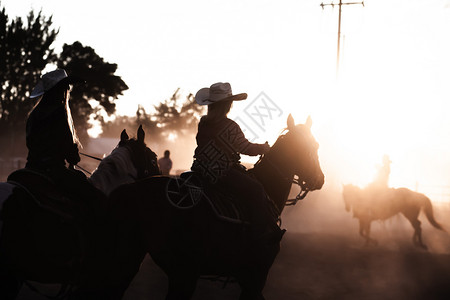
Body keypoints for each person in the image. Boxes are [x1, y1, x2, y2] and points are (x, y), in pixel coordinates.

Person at [191, 82, 281, 242]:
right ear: (227, 105)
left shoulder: (203, 123)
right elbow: (246, 148)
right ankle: (258, 236)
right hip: (222, 173)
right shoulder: (230, 126)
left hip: (200, 170)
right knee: (257, 189)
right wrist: (264, 148)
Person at [23, 69, 105, 218]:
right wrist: (74, 156)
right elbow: (67, 146)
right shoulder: (59, 112)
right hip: (53, 170)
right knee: (92, 196)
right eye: (66, 87)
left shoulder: (34, 114)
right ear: (60, 90)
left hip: (31, 167)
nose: (68, 90)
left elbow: (31, 143)